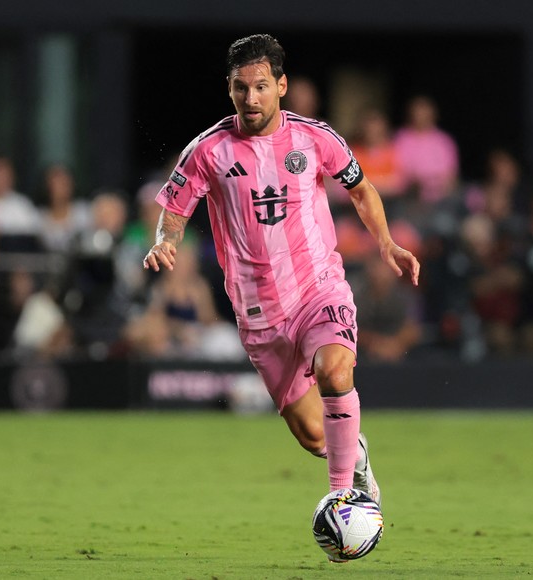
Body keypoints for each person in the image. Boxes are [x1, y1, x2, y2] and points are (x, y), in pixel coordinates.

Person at [142, 35, 420, 517]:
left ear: (282, 86)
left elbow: (361, 190)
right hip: (259, 311)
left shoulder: (315, 138)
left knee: (335, 369)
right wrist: (166, 240)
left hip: (318, 288)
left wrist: (386, 242)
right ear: (229, 89)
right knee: (314, 435)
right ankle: (355, 459)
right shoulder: (207, 150)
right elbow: (175, 207)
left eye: (261, 87)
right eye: (240, 88)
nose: (251, 98)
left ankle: (341, 496)